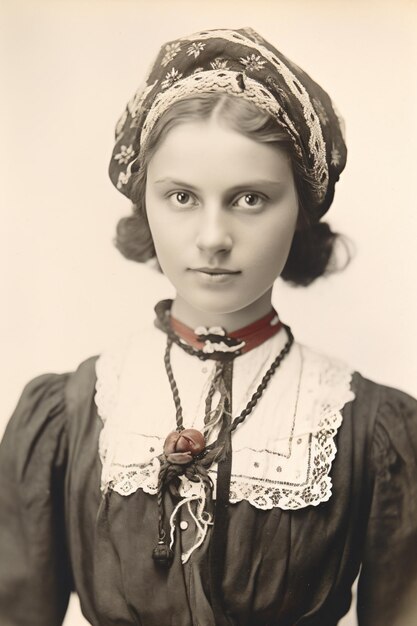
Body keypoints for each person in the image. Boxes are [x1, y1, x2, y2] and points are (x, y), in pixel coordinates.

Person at [0, 27, 416, 626]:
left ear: (301, 206)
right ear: (146, 200)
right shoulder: (70, 417)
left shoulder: (371, 432)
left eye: (250, 199)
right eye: (182, 197)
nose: (214, 237)